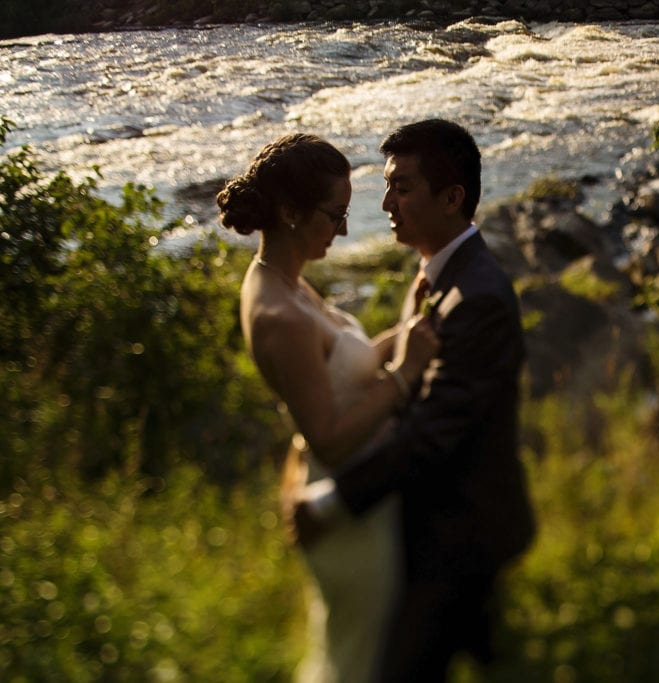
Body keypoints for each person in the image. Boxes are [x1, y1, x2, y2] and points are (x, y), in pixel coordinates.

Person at [295, 119, 537, 682]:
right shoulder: (438, 273)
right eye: (387, 186)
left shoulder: (476, 299)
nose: (385, 203)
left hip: (459, 536)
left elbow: (434, 433)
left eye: (401, 188)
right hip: (435, 522)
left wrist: (331, 503)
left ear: (452, 198)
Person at [217, 133, 440, 683]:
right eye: (334, 216)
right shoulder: (280, 315)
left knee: (357, 648)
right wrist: (407, 372)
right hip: (346, 515)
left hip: (357, 497)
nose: (343, 231)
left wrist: (406, 327)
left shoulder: (283, 279)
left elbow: (344, 368)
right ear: (291, 212)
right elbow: (329, 436)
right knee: (361, 660)